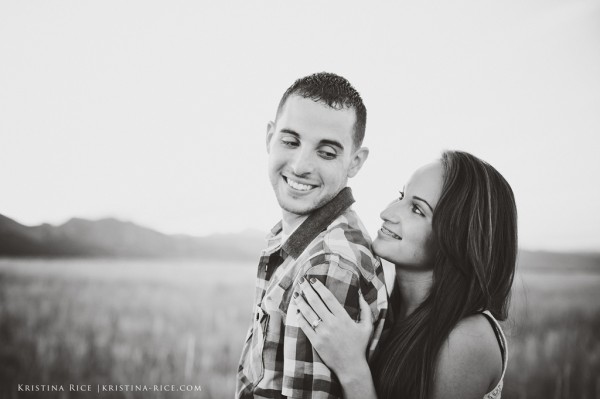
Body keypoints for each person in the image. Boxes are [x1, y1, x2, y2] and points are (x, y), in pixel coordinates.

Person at [294, 150, 517, 399]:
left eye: (418, 210)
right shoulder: (386, 310)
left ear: (460, 238)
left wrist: (352, 370)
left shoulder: (467, 338)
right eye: (401, 196)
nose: (387, 213)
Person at [236, 72, 389, 399]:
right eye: (290, 142)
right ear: (269, 137)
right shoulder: (294, 237)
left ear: (355, 162)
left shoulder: (327, 266)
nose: (301, 165)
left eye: (327, 152)